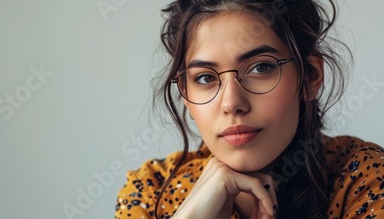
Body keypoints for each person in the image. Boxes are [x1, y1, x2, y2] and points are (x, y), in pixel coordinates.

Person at [114, 0, 384, 218]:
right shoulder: (150, 192)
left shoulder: (364, 181)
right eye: (205, 78)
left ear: (310, 76)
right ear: (186, 95)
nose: (232, 103)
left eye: (260, 68)